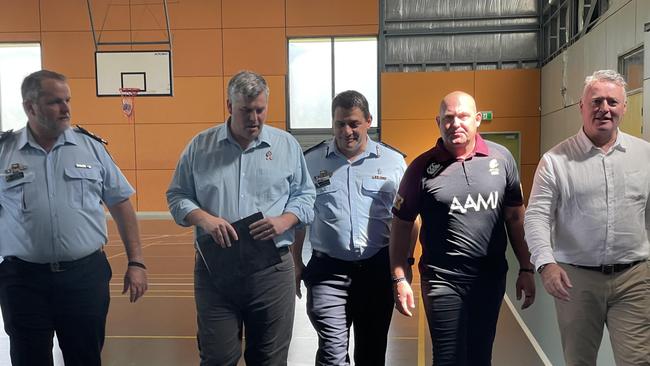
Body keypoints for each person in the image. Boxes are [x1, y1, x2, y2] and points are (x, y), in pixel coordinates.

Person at [166, 70, 315, 366]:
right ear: (229, 106)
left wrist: (284, 220)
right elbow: (177, 196)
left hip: (272, 269)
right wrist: (205, 219)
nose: (254, 118)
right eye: (246, 110)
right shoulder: (200, 147)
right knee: (218, 358)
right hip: (216, 271)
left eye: (260, 110)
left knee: (269, 359)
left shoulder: (286, 146)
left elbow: (306, 196)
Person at [0, 69, 148, 366]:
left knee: (85, 358)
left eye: (67, 100)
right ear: (30, 107)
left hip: (84, 278)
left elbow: (121, 204)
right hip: (23, 282)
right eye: (55, 102)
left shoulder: (91, 147)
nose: (66, 108)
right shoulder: (5, 152)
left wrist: (136, 262)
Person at [390, 91, 536, 366]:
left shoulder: (502, 159)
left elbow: (516, 217)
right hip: (442, 279)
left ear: (477, 120)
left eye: (463, 116)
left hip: (489, 278)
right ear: (438, 122)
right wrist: (400, 276)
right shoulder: (421, 169)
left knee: (480, 356)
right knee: (448, 358)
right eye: (448, 118)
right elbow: (401, 224)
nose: (455, 123)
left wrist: (526, 268)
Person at [524, 70, 649, 366]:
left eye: (612, 102)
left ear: (624, 107)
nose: (604, 108)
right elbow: (536, 217)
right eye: (596, 101)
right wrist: (545, 264)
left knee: (639, 361)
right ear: (581, 106)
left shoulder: (645, 155)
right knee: (579, 361)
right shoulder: (555, 161)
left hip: (635, 279)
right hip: (575, 280)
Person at [293, 90, 416, 366]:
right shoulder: (311, 162)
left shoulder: (393, 162)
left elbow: (408, 220)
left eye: (353, 123)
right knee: (332, 354)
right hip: (328, 273)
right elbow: (299, 217)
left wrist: (404, 264)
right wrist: (295, 263)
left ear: (368, 121)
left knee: (371, 354)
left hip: (376, 270)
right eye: (339, 124)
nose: (346, 131)